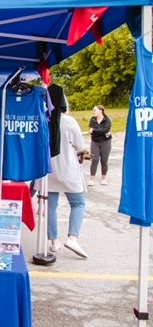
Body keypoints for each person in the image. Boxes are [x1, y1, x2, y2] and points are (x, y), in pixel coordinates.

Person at [46, 113, 89, 259]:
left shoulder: (43, 118)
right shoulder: (69, 121)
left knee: (51, 207)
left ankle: (54, 241)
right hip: (68, 167)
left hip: (49, 168)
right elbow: (80, 146)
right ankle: (72, 238)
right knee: (78, 203)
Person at [88, 104, 112, 186]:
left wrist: (94, 130)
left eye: (95, 110)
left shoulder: (107, 120)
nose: (93, 112)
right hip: (95, 141)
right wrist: (97, 131)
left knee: (104, 160)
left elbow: (106, 130)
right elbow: (90, 130)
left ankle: (104, 178)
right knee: (94, 159)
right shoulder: (92, 119)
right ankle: (92, 179)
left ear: (100, 111)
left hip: (106, 142)